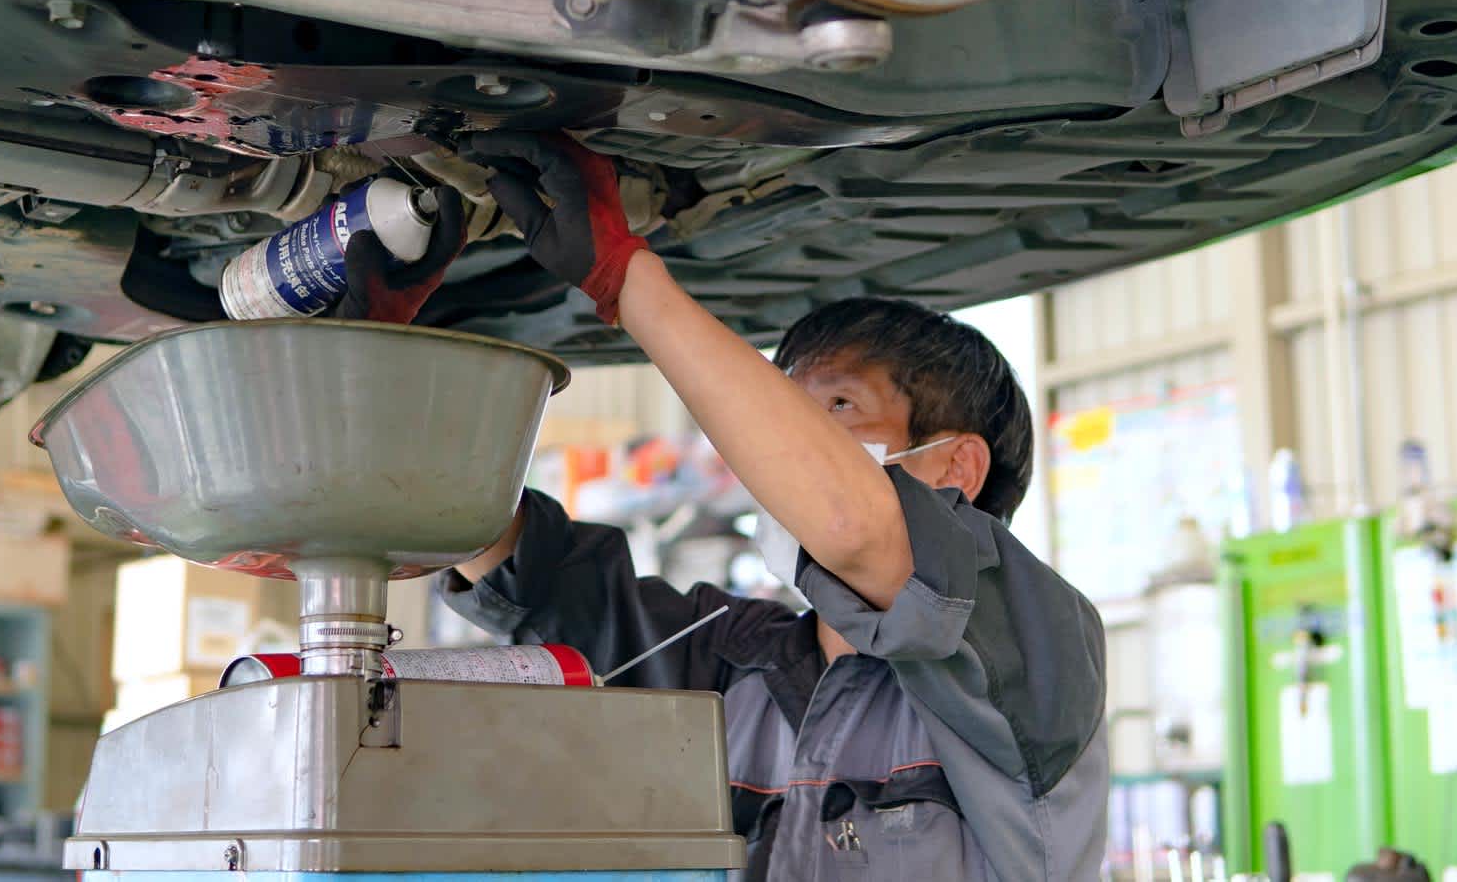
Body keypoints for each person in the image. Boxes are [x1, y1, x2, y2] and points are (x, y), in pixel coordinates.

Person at [426, 133, 1109, 880]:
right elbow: (527, 573)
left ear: (957, 466)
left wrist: (625, 276)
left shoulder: (1036, 649)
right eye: (786, 410)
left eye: (837, 407)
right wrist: (384, 391)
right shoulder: (732, 661)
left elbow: (854, 530)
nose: (779, 453)